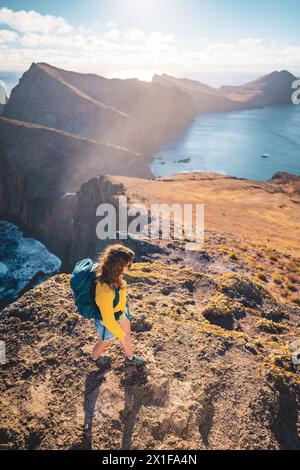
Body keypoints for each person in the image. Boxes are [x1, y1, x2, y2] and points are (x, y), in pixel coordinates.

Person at [91, 244, 146, 368]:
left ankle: (130, 358)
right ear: (118, 266)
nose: (129, 267)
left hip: (121, 312)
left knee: (127, 336)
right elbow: (108, 321)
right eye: (128, 264)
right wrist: (120, 335)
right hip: (109, 322)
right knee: (105, 341)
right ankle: (95, 358)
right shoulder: (104, 291)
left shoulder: (114, 276)